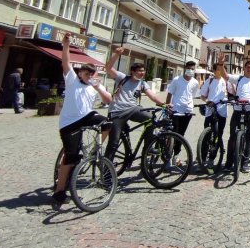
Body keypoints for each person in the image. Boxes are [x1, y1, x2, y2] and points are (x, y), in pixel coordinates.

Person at [52, 33, 112, 208]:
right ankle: (59, 191)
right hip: (69, 122)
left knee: (108, 123)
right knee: (70, 157)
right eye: (86, 72)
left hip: (87, 116)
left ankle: (95, 150)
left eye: (91, 73)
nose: (88, 75)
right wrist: (65, 45)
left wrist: (98, 87)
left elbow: (108, 100)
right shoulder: (72, 80)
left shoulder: (94, 85)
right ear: (80, 72)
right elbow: (65, 62)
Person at [103, 47, 167, 162]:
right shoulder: (123, 78)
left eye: (143, 71)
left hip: (133, 109)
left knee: (151, 119)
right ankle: (106, 170)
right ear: (132, 71)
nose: (142, 73)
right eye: (139, 71)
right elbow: (108, 68)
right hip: (117, 111)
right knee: (113, 142)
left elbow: (152, 96)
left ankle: (147, 148)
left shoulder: (142, 83)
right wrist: (116, 54)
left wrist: (164, 104)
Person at [219, 53, 250, 173]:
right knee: (232, 137)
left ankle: (245, 163)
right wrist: (221, 64)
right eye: (248, 67)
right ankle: (229, 163)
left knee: (249, 137)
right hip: (237, 110)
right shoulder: (239, 78)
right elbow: (225, 75)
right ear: (244, 68)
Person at [165, 61, 200, 166]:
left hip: (188, 111)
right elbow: (170, 93)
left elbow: (192, 95)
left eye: (192, 68)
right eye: (189, 68)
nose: (190, 70)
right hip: (175, 110)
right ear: (185, 68)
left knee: (181, 134)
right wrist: (167, 106)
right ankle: (167, 157)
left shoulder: (195, 82)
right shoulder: (177, 80)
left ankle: (176, 155)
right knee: (173, 133)